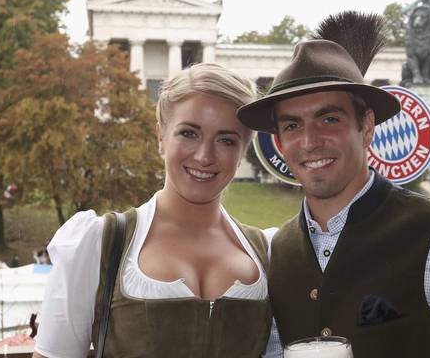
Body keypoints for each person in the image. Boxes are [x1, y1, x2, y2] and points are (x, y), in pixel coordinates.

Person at [237, 11, 430, 357]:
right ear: (279, 142)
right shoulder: (275, 250)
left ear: (366, 128)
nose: (309, 141)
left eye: (329, 119)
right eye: (292, 126)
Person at [33, 63, 272, 358]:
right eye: (189, 133)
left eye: (226, 140)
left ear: (242, 150)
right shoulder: (100, 244)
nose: (205, 156)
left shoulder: (266, 253)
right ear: (161, 135)